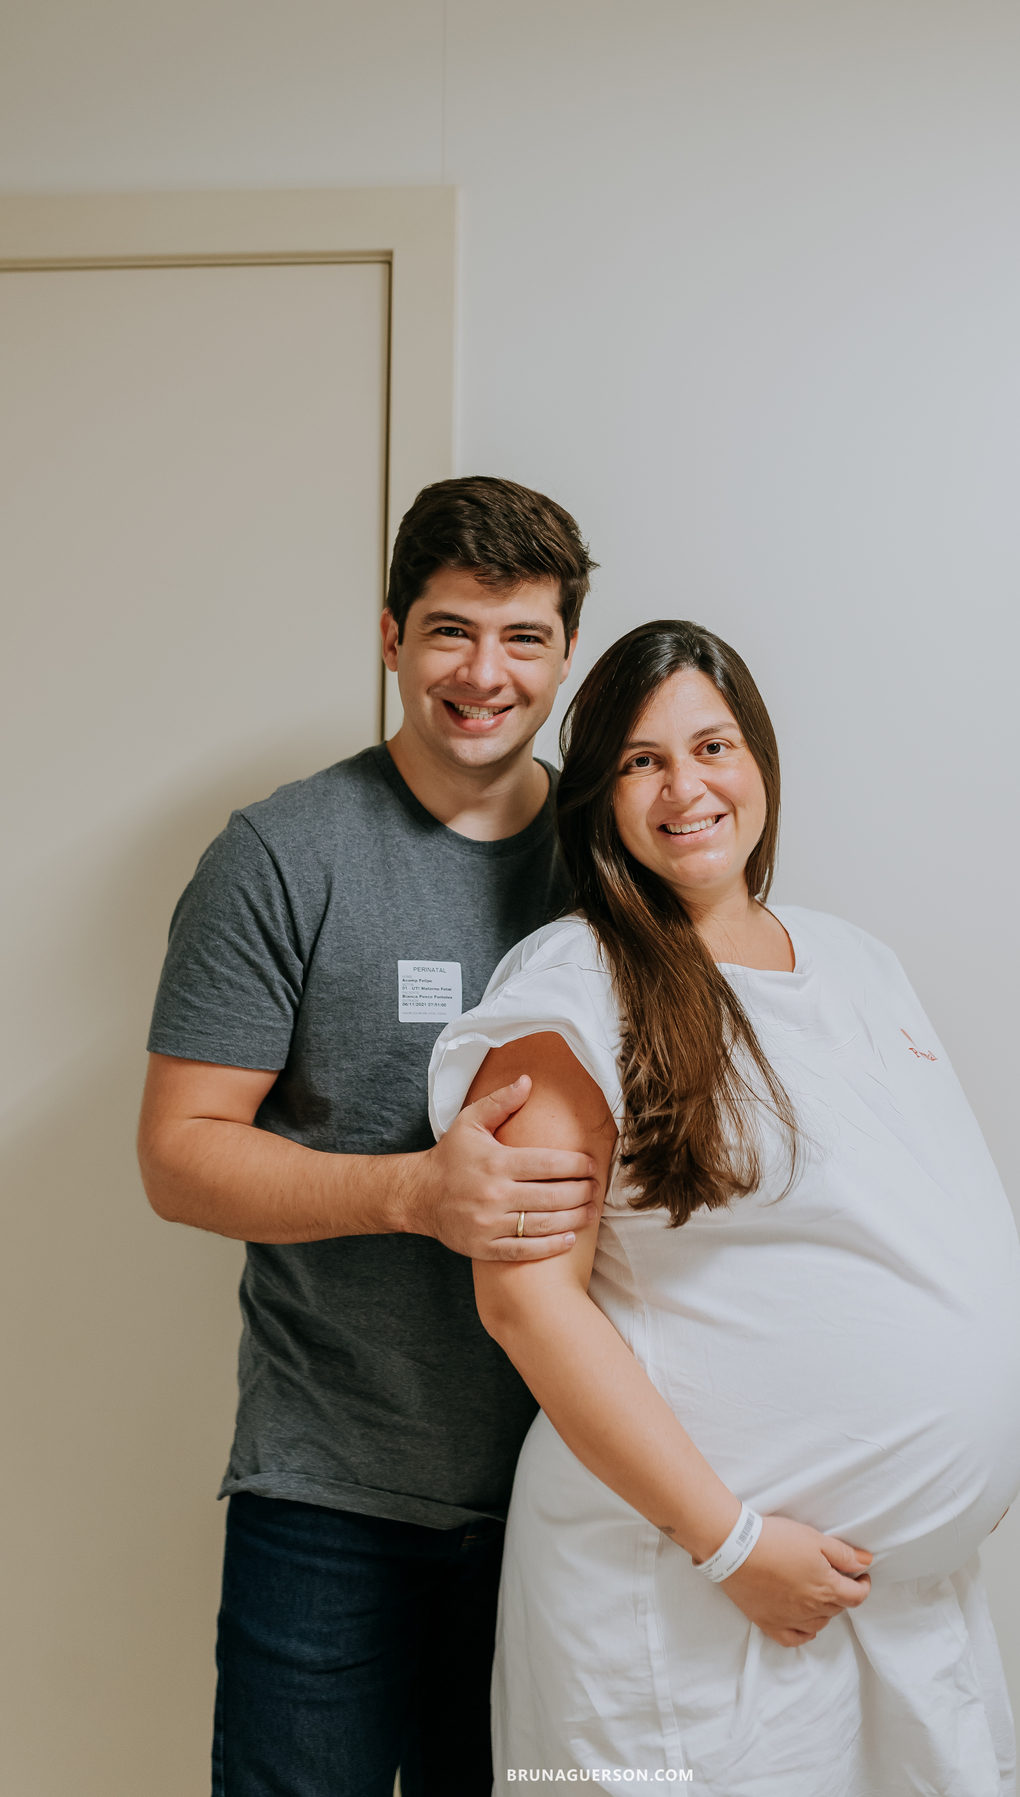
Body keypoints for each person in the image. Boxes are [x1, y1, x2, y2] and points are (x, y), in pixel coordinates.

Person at [427, 619, 1020, 1796]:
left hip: (902, 1608)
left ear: (758, 756)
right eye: (641, 762)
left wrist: (962, 1476)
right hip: (688, 1601)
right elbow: (526, 1307)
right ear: (601, 796)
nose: (684, 788)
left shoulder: (856, 961)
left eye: (711, 746)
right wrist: (732, 1541)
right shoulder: (572, 992)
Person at [136, 477, 604, 1797]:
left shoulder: (612, 856)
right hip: (328, 1490)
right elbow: (179, 1153)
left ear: (567, 651)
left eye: (523, 637)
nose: (484, 673)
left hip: (568, 1488)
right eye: (451, 629)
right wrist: (419, 1193)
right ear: (391, 633)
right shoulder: (281, 856)